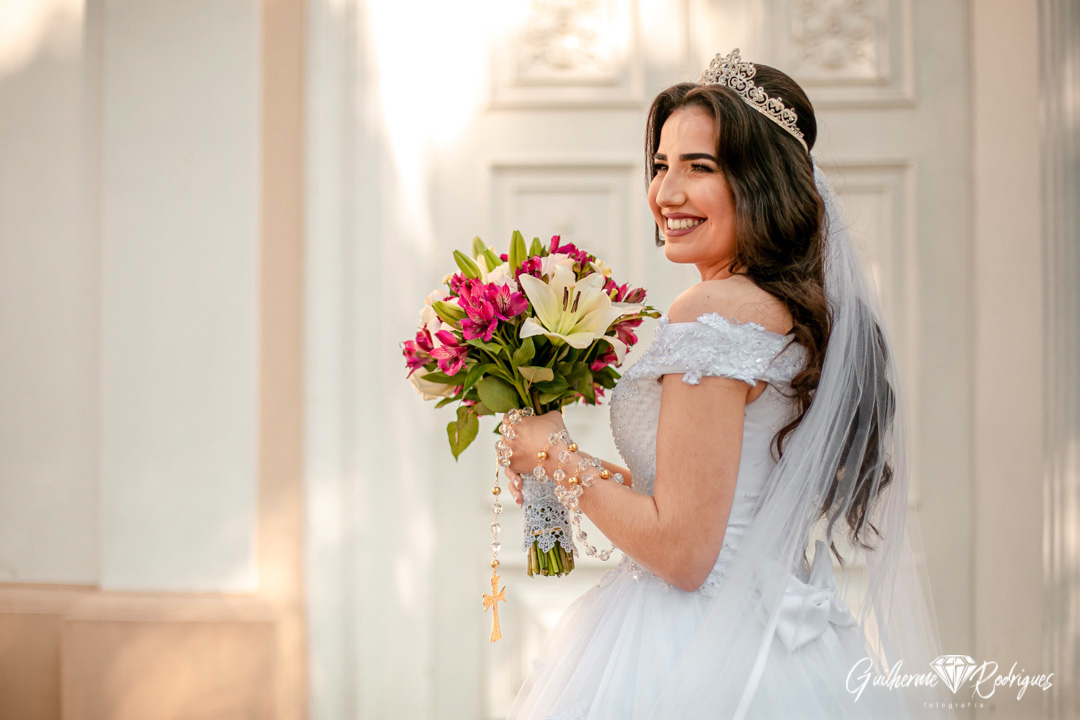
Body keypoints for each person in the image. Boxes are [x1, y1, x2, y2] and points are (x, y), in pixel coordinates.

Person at [501, 49, 956, 719]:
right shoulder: (788, 307)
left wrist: (555, 456)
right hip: (777, 638)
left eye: (700, 168)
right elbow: (713, 493)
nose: (666, 193)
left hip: (693, 646)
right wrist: (569, 463)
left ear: (761, 184)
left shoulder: (713, 312)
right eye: (660, 166)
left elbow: (684, 551)